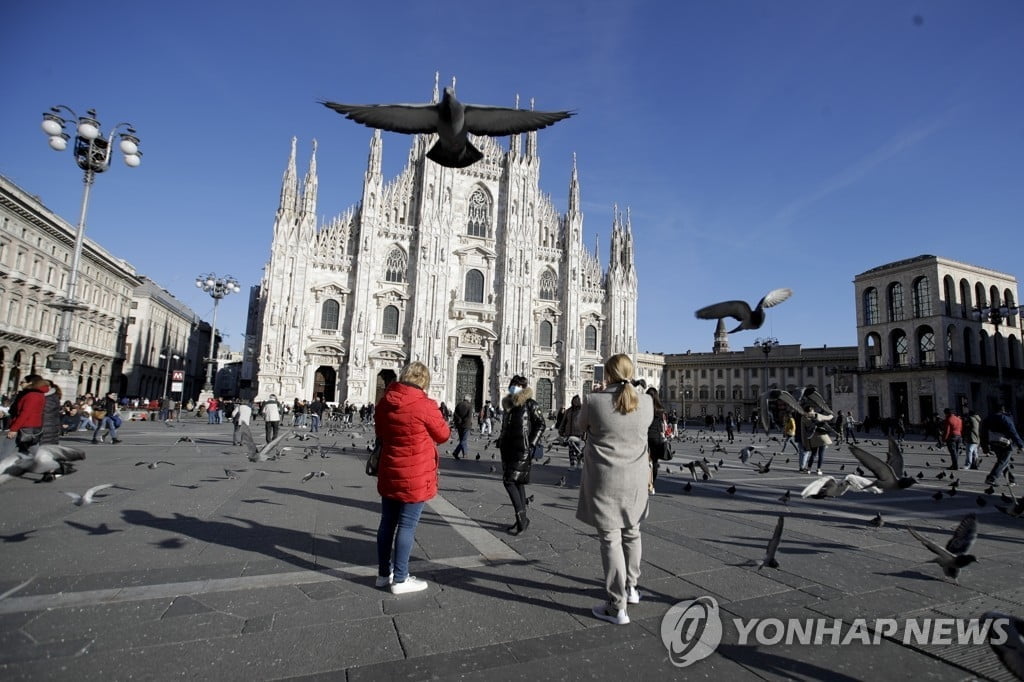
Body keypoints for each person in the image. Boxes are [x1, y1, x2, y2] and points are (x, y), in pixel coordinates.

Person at [576, 354, 654, 626]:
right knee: (632, 531)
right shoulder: (646, 402)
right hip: (636, 479)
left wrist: (598, 394)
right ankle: (631, 588)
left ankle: (615, 605)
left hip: (605, 479)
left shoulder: (594, 401)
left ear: (607, 375)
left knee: (610, 540)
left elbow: (578, 427)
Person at [374, 361, 450, 595]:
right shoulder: (424, 405)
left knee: (387, 523)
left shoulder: (384, 402)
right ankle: (400, 578)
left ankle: (383, 574)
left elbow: (380, 432)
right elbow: (443, 434)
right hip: (415, 473)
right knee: (406, 526)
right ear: (424, 381)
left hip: (390, 470)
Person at [497, 376, 546, 535]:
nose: (513, 388)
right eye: (512, 385)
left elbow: (541, 424)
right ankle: (521, 521)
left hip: (522, 449)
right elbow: (507, 426)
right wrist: (501, 439)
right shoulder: (509, 405)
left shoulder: (530, 404)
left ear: (523, 387)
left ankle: (521, 519)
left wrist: (531, 443)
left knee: (509, 481)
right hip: (508, 448)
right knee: (517, 482)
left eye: (516, 386)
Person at [981, 405, 1024, 486]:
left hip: (993, 442)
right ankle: (991, 478)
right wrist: (1020, 445)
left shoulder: (988, 418)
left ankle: (1011, 480)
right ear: (1003, 410)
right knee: (1003, 461)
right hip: (1005, 443)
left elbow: (983, 433)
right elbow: (1013, 431)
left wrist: (984, 446)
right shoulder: (1004, 418)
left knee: (1003, 461)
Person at [6, 376, 48, 454]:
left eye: (22, 382)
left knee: (6, 449)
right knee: (31, 450)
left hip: (25, 427)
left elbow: (25, 413)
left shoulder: (32, 395)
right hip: (33, 426)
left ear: (30, 383)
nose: (20, 384)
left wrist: (14, 428)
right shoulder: (38, 394)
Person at [646, 387, 668, 494]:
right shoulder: (660, 409)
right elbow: (663, 425)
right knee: (654, 462)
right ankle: (652, 485)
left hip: (646, 436)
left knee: (644, 461)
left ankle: (645, 482)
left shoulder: (644, 407)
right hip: (657, 437)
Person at [559, 395, 585, 468]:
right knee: (571, 448)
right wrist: (561, 429)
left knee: (577, 448)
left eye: (577, 400)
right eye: (574, 400)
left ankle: (579, 461)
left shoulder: (582, 410)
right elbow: (564, 421)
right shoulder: (569, 410)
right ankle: (572, 464)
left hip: (578, 432)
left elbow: (585, 421)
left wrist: (585, 432)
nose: (575, 402)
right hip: (569, 432)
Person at [451, 395, 474, 460]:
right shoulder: (469, 406)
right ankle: (456, 452)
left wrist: (459, 420)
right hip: (466, 425)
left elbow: (455, 414)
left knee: (462, 440)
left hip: (459, 425)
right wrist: (465, 421)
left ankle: (465, 453)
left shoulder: (459, 404)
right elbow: (469, 416)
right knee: (464, 440)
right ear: (469, 400)